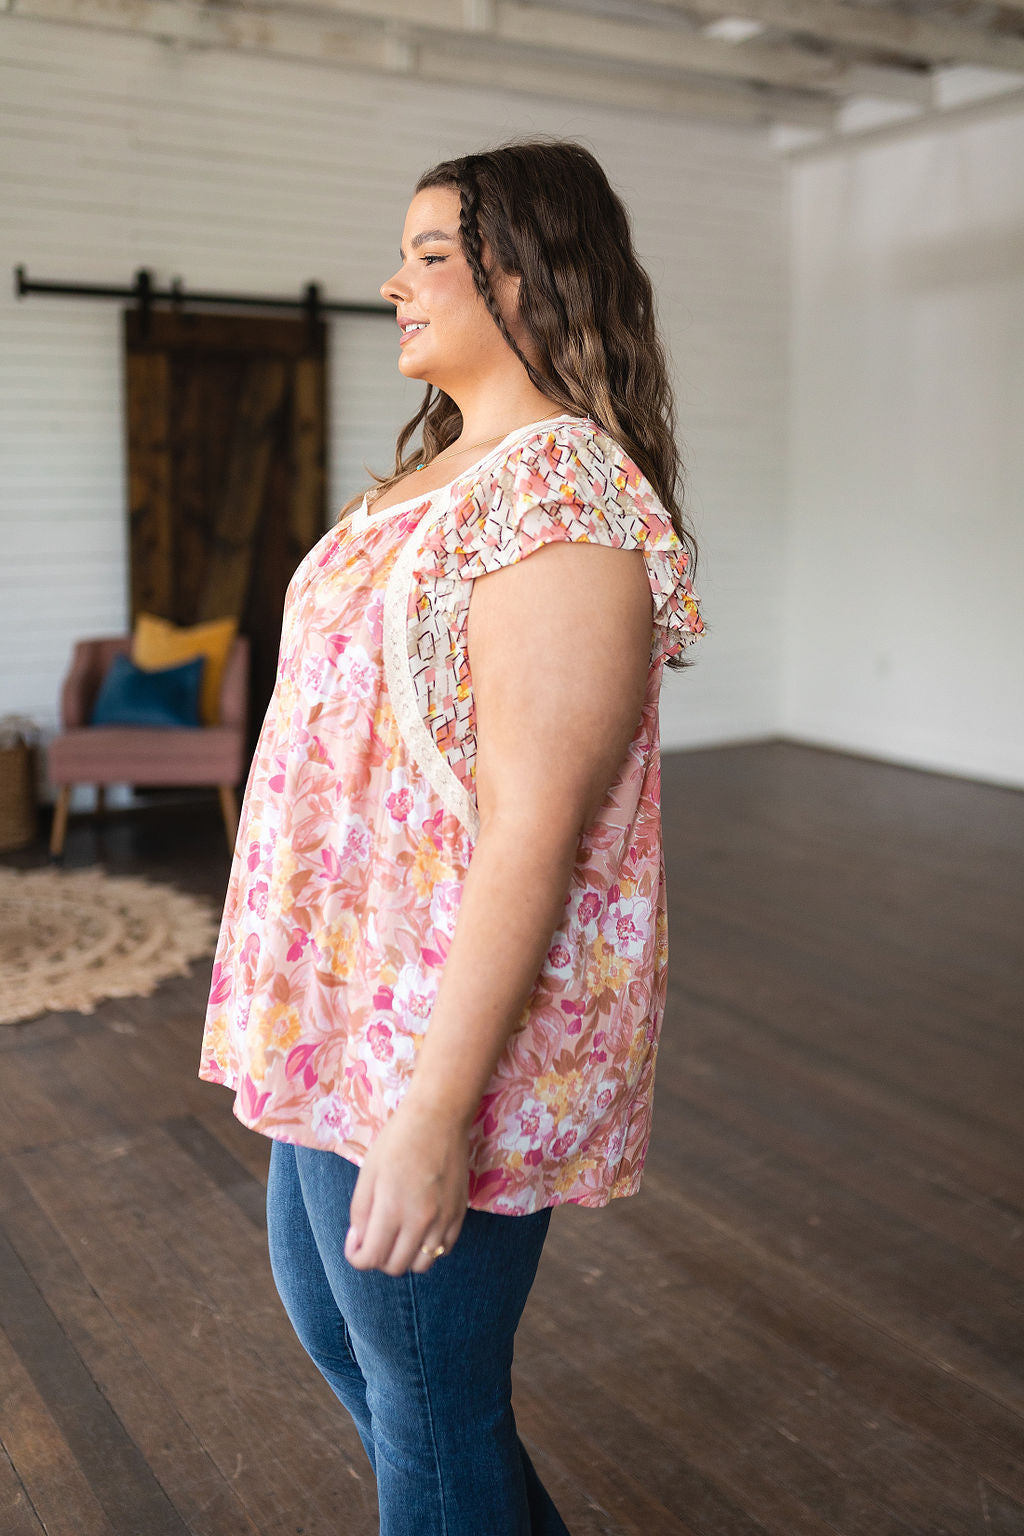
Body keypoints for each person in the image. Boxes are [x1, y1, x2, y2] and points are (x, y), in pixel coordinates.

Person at [198, 137, 705, 1536]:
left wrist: (432, 1116)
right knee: (353, 1346)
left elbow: (536, 830)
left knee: (430, 1406)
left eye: (432, 255)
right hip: (345, 1002)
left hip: (439, 1036)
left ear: (531, 276)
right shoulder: (438, 476)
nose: (395, 283)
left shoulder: (562, 500)